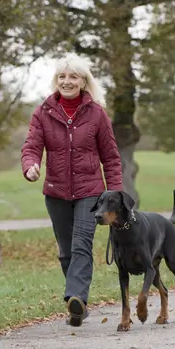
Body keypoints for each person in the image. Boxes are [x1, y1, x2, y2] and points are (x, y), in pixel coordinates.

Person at [21, 53, 123, 327]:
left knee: (81, 244)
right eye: (62, 77)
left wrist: (115, 197)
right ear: (57, 81)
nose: (67, 81)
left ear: (83, 81)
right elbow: (31, 146)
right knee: (66, 250)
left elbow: (111, 157)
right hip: (56, 193)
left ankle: (76, 297)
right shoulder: (43, 112)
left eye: (73, 76)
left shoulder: (97, 114)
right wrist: (30, 165)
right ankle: (78, 306)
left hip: (90, 191)